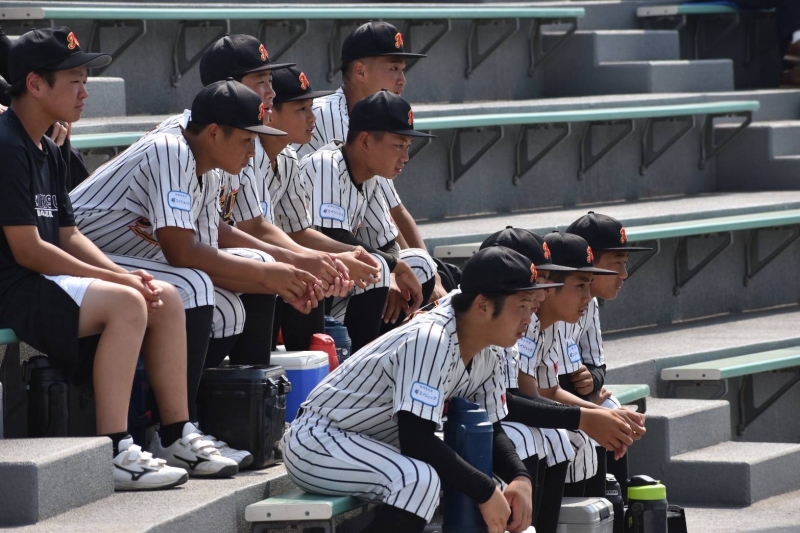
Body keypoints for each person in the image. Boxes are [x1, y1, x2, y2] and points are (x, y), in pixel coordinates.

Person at [0, 26, 236, 489]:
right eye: (75, 81)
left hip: (40, 279)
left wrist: (124, 273)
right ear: (35, 84)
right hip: (14, 286)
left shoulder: (47, 146)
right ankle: (114, 449)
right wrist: (119, 283)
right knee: (129, 302)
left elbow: (68, 235)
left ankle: (175, 433)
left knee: (163, 296)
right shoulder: (7, 146)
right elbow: (29, 250)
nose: (85, 93)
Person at [70, 78, 324, 469]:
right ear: (214, 133)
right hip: (80, 257)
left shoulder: (209, 166)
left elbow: (206, 251)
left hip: (128, 259)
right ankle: (172, 432)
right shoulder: (171, 149)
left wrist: (278, 279)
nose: (253, 151)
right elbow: (182, 252)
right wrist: (269, 276)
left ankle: (211, 423)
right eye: (247, 140)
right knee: (194, 285)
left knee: (229, 303)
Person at [282, 246, 541, 533]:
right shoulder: (431, 338)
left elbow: (493, 426)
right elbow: (416, 438)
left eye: (531, 306)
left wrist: (520, 477)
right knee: (418, 480)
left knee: (480, 488)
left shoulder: (489, 346)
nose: (528, 318)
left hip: (371, 444)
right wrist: (485, 491)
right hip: (320, 440)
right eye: (521, 305)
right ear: (483, 305)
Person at [147, 34, 376, 351]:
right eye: (262, 81)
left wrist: (309, 260)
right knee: (254, 273)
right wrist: (288, 265)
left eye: (271, 81)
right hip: (120, 256)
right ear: (229, 86)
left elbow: (247, 226)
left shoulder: (238, 142)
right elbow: (186, 248)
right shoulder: (182, 142)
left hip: (154, 257)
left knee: (277, 274)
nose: (271, 92)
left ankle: (266, 379)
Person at [416, 227, 637, 533]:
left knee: (555, 436)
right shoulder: (443, 331)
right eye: (539, 279)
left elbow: (525, 397)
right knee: (419, 477)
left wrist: (594, 416)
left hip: (421, 423)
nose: (541, 292)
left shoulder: (510, 321)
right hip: (381, 428)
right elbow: (508, 402)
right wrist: (584, 417)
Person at [295, 21, 445, 306]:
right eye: (394, 68)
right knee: (381, 273)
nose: (402, 80)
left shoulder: (377, 120)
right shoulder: (324, 117)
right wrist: (393, 269)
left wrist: (432, 277)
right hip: (313, 248)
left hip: (349, 245)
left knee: (422, 268)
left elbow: (395, 211)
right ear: (361, 71)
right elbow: (324, 228)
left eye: (403, 70)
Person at [300, 90, 435, 351]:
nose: (405, 157)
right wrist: (394, 268)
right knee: (379, 267)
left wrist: (395, 271)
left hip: (339, 284)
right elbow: (332, 236)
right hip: (306, 286)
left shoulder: (371, 176)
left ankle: (386, 354)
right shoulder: (326, 163)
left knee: (420, 263)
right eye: (398, 146)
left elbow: (387, 242)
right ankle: (356, 359)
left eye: (408, 147)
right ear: (365, 141)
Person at [528, 232, 647, 498]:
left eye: (589, 284)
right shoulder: (527, 320)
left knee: (602, 420)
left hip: (531, 406)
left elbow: (548, 390)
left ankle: (608, 511)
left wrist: (602, 413)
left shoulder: (552, 321)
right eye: (581, 285)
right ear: (547, 286)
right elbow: (523, 396)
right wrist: (589, 415)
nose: (588, 295)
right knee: (568, 438)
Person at [564, 211, 653, 493]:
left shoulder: (589, 303)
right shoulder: (549, 303)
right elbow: (537, 383)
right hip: (546, 404)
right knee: (604, 421)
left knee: (613, 412)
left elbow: (598, 365)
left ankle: (616, 502)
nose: (624, 274)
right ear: (589, 260)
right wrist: (588, 397)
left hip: (568, 398)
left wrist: (592, 381)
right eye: (617, 263)